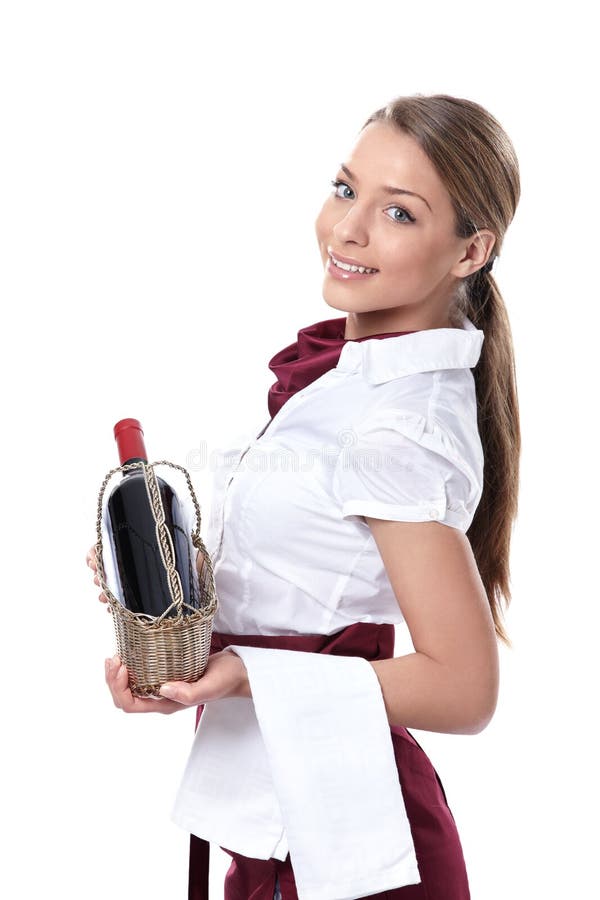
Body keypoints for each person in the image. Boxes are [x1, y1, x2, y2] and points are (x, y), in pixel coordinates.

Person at [86, 93, 520, 900]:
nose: (348, 230)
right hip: (281, 821)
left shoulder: (399, 426)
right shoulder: (352, 382)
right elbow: (307, 591)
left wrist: (245, 673)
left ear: (470, 252)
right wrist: (180, 644)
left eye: (399, 212)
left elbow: (465, 688)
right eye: (348, 189)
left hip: (347, 851)